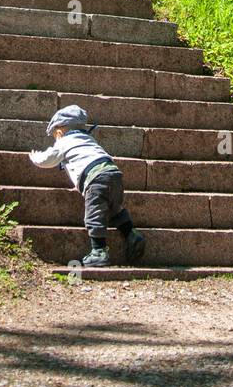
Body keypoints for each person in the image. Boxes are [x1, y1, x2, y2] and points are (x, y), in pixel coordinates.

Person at [29, 104, 146, 267]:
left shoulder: (64, 141)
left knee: (94, 214)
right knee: (115, 208)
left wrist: (35, 157)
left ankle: (99, 251)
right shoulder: (89, 139)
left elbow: (48, 159)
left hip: (95, 179)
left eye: (54, 135)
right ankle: (131, 234)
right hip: (113, 173)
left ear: (60, 131)